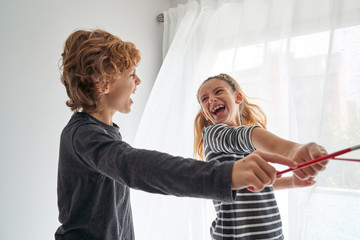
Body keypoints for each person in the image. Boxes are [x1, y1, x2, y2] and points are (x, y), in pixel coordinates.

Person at [55, 29, 298, 240]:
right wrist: (228, 175)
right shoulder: (83, 135)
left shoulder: (103, 132)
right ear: (103, 83)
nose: (138, 80)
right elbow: (135, 166)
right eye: (131, 74)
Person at [194, 73, 328, 240]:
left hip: (272, 233)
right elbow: (244, 135)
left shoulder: (251, 147)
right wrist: (292, 150)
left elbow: (255, 186)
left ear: (238, 97)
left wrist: (291, 182)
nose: (211, 100)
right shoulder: (213, 134)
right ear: (206, 114)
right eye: (204, 99)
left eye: (218, 92)